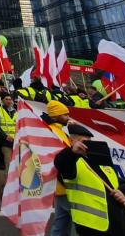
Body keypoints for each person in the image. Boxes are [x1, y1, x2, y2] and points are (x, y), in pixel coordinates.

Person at [54, 124, 125, 236]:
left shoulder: (101, 160)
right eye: (84, 141)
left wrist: (124, 193)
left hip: (124, 226)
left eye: (90, 141)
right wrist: (72, 152)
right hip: (95, 228)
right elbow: (61, 163)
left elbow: (122, 183)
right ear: (72, 141)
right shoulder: (72, 163)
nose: (87, 145)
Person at [44, 101, 73, 236]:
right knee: (79, 223)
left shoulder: (59, 131)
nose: (68, 117)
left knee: (61, 224)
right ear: (56, 116)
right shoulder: (54, 132)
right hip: (65, 184)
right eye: (65, 114)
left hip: (61, 185)